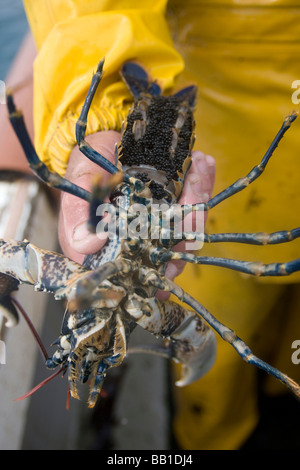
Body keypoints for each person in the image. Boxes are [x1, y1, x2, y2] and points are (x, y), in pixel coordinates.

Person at [1, 0, 300, 450]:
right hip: (210, 104)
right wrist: (102, 107)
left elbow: (15, 256)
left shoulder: (87, 284)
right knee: (226, 360)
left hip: (232, 131)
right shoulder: (138, 302)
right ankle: (219, 434)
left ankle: (277, 391)